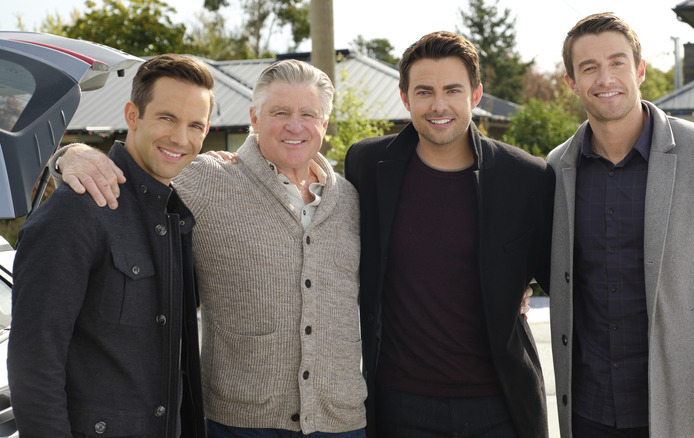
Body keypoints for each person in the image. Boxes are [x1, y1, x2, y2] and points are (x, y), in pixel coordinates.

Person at [48, 59, 367, 437]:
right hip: (240, 423)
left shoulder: (349, 199)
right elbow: (132, 178)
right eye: (280, 112)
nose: (294, 126)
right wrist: (70, 155)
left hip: (342, 421)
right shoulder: (205, 178)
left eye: (308, 114)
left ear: (324, 123)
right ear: (254, 117)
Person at [546, 12, 694, 438]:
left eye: (617, 62)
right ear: (572, 83)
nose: (604, 77)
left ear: (640, 70)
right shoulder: (557, 169)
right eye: (588, 67)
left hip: (687, 403)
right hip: (588, 408)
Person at [344, 31, 555, 438]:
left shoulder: (526, 176)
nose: (438, 105)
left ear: (475, 95)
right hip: (398, 405)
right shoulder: (368, 164)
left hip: (501, 404)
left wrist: (516, 287)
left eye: (452, 90)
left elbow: (558, 276)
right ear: (405, 98)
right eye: (424, 91)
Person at [8, 54, 215, 437]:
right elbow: (34, 364)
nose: (181, 138)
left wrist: (66, 152)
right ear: (133, 115)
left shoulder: (175, 216)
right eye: (167, 118)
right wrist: (68, 153)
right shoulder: (78, 209)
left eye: (196, 125)